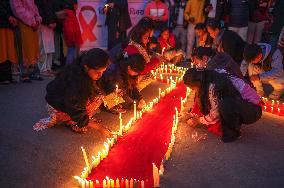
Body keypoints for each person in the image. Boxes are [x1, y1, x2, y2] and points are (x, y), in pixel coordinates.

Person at [33, 48, 111, 134]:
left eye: (103, 71)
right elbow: (74, 107)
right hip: (58, 106)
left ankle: (80, 120)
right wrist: (98, 127)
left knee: (99, 95)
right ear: (86, 67)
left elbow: (104, 87)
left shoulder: (85, 69)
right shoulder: (76, 81)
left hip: (70, 102)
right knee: (95, 98)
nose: (100, 75)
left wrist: (114, 99)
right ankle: (74, 121)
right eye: (98, 72)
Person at [183, 68, 262, 142]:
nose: (193, 91)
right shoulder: (208, 76)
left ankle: (233, 133)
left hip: (253, 110)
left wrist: (199, 120)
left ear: (198, 82)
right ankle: (233, 123)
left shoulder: (213, 85)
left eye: (193, 88)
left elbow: (215, 112)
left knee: (225, 104)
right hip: (242, 105)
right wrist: (192, 114)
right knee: (221, 102)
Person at [10, 0, 43, 82]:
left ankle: (33, 70)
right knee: (24, 47)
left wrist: (37, 18)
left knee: (33, 47)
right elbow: (18, 9)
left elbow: (34, 7)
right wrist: (31, 21)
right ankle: (24, 73)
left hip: (32, 24)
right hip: (23, 23)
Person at [35, 0, 57, 77]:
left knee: (50, 49)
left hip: (50, 26)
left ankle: (48, 68)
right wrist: (48, 22)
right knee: (43, 48)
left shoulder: (50, 2)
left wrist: (54, 22)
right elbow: (39, 13)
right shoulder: (38, 2)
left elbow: (53, 11)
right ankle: (43, 69)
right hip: (43, 25)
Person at [0, 0, 18, 84]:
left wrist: (13, 18)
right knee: (2, 51)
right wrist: (9, 17)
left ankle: (8, 76)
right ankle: (3, 77)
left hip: (8, 25)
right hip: (2, 24)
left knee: (8, 51)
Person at [61, 0, 82, 65]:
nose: (77, 6)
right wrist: (72, 40)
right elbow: (69, 29)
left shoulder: (72, 14)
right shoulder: (69, 14)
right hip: (73, 41)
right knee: (71, 56)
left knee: (73, 55)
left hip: (74, 40)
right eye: (76, 5)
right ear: (73, 5)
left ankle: (70, 69)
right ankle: (69, 70)